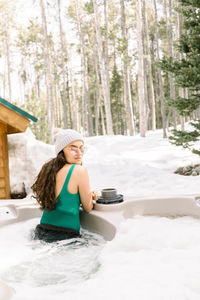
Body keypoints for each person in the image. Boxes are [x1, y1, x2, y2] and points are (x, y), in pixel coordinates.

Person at [31, 129, 98, 242]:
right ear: (61, 151)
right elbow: (88, 208)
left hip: (41, 231)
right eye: (73, 148)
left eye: (81, 148)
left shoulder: (49, 170)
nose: (79, 152)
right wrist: (91, 196)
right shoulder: (79, 170)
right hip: (65, 237)